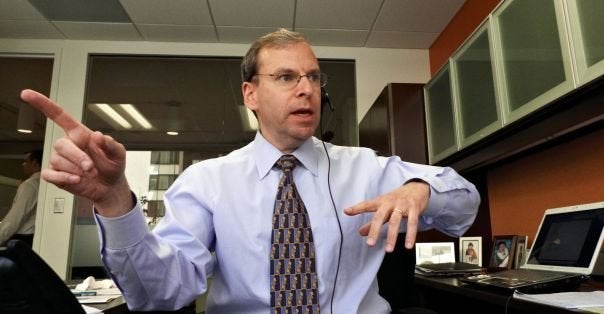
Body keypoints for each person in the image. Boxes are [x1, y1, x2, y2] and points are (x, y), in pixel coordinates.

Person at [20, 29, 480, 313]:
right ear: (251, 94)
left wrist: (420, 189)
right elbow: (159, 294)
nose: (307, 90)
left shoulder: (364, 166)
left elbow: (463, 202)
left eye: (314, 77)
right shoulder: (207, 182)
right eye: (286, 77)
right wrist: (114, 201)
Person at [0, 149, 43, 247]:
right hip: (34, 237)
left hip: (23, 238)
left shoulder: (30, 185)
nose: (23, 164)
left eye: (26, 161)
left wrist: (1, 236)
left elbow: (17, 215)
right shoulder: (45, 185)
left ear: (35, 164)